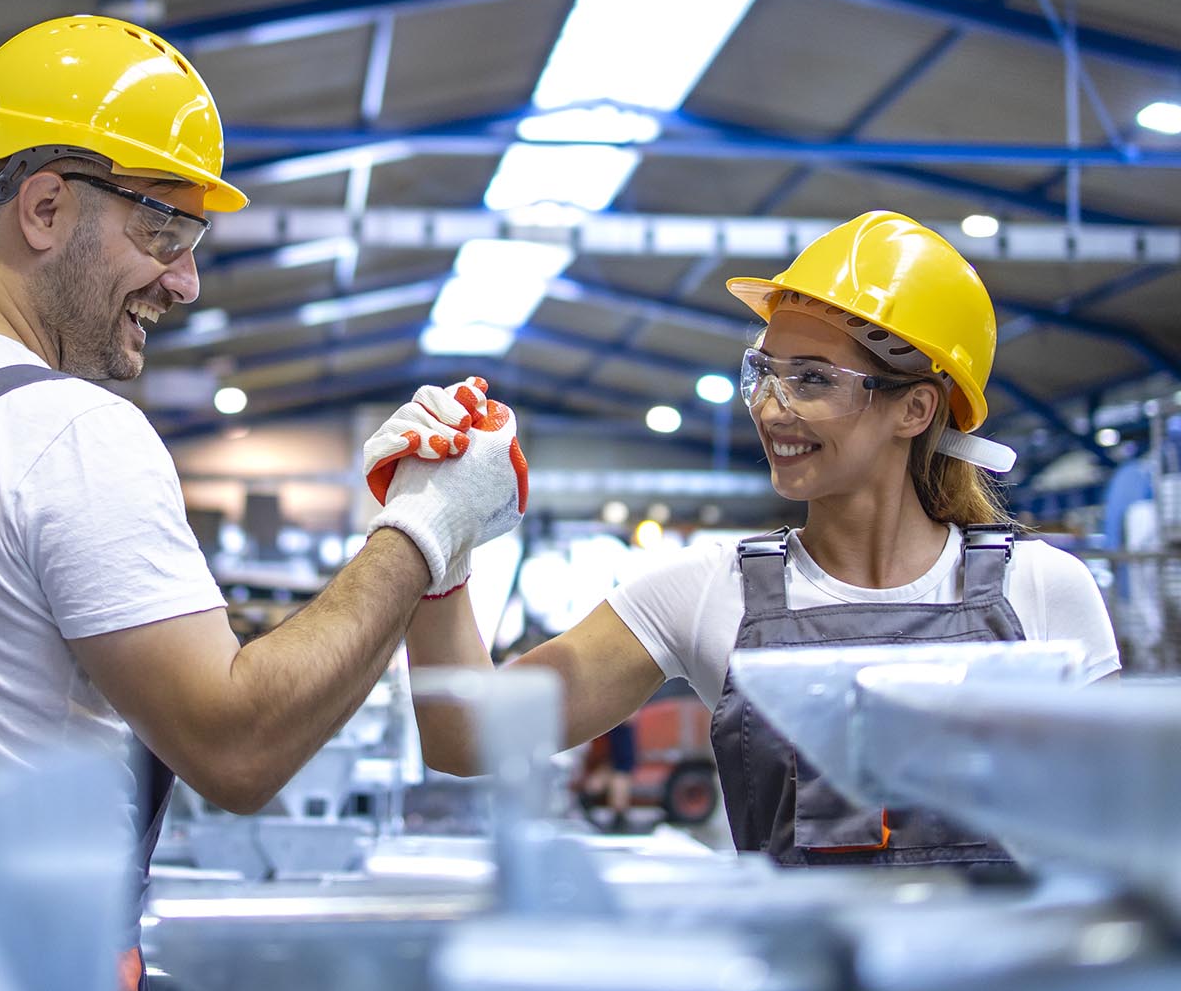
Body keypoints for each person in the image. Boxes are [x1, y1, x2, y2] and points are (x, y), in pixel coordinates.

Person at [0, 15, 525, 991]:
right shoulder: (66, 430)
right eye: (161, 230)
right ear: (42, 207)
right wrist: (425, 524)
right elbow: (238, 744)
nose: (185, 281)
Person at [394, 210, 1122, 867]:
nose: (772, 408)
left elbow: (1119, 836)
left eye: (811, 379)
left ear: (915, 408)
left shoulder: (1042, 590)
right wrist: (438, 532)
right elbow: (465, 731)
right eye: (764, 374)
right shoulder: (708, 592)